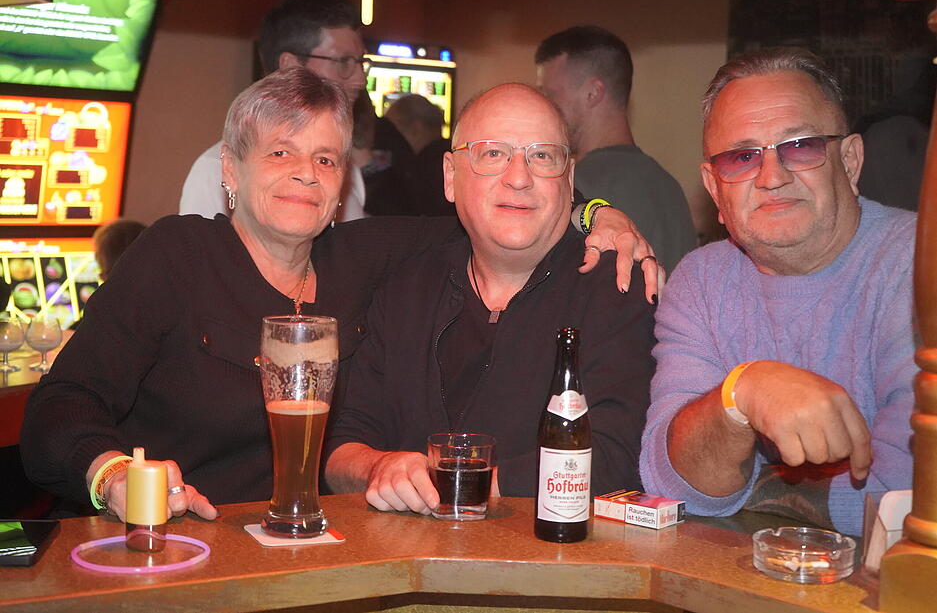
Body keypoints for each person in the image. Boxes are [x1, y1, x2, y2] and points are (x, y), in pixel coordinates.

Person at [22, 68, 662, 522]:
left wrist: (596, 213)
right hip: (178, 544)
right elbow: (60, 407)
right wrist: (111, 477)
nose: (306, 172)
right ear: (229, 169)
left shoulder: (365, 257)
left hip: (319, 547)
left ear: (342, 181)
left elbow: (504, 210)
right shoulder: (176, 256)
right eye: (280, 152)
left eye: (326, 159)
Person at [324, 83, 657, 514]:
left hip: (549, 570)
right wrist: (379, 467)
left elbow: (618, 458)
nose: (519, 177)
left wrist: (459, 488)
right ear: (450, 176)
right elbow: (340, 447)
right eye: (492, 154)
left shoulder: (617, 290)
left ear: (569, 179)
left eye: (542, 156)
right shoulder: (405, 287)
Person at [639, 47, 915, 536]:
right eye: (742, 157)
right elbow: (674, 481)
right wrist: (742, 390)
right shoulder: (700, 281)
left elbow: (908, 497)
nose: (772, 177)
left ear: (849, 162)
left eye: (800, 145)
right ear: (714, 187)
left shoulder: (919, 264)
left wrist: (747, 485)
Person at [179, 0, 370, 222]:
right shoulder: (215, 170)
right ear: (289, 66)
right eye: (343, 62)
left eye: (361, 62)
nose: (360, 80)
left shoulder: (343, 167)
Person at [535, 26, 697, 273]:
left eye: (550, 95)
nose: (544, 108)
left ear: (593, 92)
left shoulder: (574, 185)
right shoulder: (669, 186)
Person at [366, 94, 454, 217]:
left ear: (416, 129)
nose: (387, 137)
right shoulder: (454, 157)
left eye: (393, 129)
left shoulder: (420, 171)